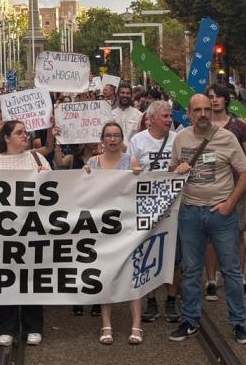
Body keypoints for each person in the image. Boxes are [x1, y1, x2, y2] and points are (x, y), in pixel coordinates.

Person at [168, 94, 246, 345]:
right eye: (198, 110)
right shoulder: (181, 138)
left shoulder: (226, 138)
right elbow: (171, 172)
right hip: (190, 212)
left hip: (221, 214)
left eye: (207, 109)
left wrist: (231, 204)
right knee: (191, 269)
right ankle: (190, 320)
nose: (203, 114)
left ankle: (238, 323)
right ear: (189, 113)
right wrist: (177, 171)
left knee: (231, 270)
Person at [0, 120, 50, 348]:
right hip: (5, 233)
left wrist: (46, 177)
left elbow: (56, 192)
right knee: (8, 279)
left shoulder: (37, 159)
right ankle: (8, 327)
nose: (25, 136)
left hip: (32, 230)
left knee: (32, 279)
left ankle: (33, 326)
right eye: (19, 132)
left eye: (26, 132)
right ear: (6, 137)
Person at [83, 122, 139, 345]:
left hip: (126, 228)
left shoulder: (130, 162)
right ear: (102, 139)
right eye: (108, 136)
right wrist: (84, 176)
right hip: (102, 229)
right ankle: (106, 324)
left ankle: (136, 324)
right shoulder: (92, 162)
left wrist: (138, 176)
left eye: (117, 135)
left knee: (132, 275)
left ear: (122, 138)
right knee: (105, 274)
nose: (113, 139)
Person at [129, 100, 181, 325]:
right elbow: (128, 170)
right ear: (151, 119)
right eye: (165, 117)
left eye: (170, 116)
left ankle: (171, 298)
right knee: (147, 253)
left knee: (173, 255)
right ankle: (150, 299)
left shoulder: (177, 139)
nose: (169, 120)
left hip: (173, 205)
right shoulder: (137, 141)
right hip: (146, 206)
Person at [204, 84, 246, 302]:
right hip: (209, 186)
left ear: (226, 100)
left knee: (237, 233)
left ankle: (240, 279)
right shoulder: (203, 124)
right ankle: (211, 280)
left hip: (235, 186)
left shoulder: (238, 126)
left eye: (217, 97)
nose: (214, 101)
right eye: (210, 97)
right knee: (210, 235)